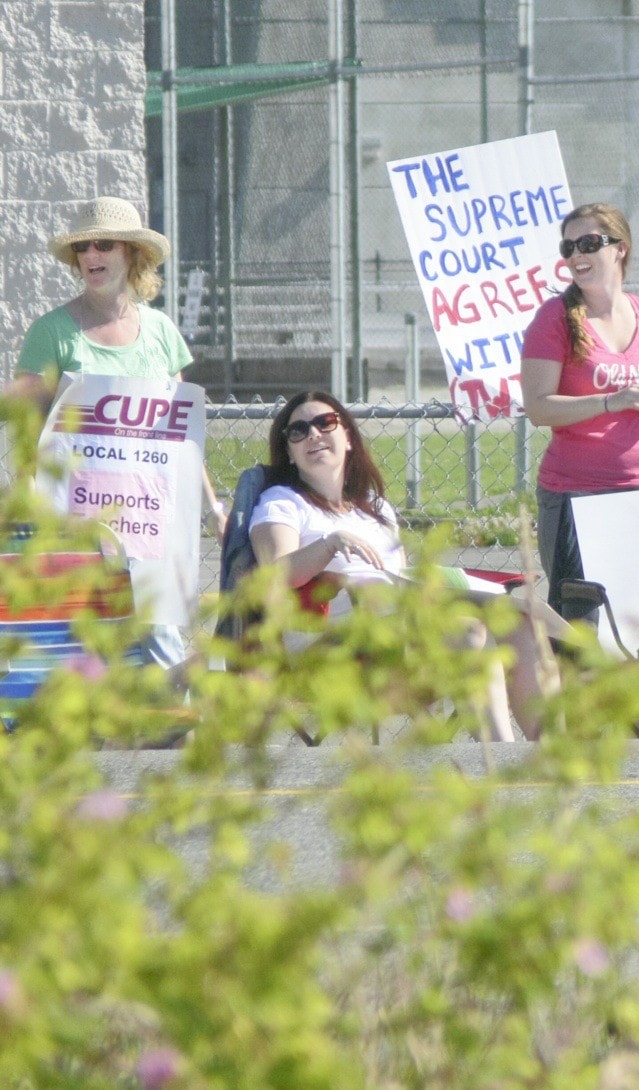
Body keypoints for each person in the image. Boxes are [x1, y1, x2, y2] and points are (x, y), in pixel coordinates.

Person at [248, 391, 561, 741]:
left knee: (521, 622)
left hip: (397, 638)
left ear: (348, 437)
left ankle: (547, 756)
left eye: (325, 423)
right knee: (466, 630)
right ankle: (498, 760)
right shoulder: (281, 503)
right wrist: (328, 545)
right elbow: (273, 577)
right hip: (334, 651)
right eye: (298, 431)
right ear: (288, 450)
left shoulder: (374, 508)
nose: (313, 435)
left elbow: (400, 578)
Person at [10, 195, 227, 668]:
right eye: (83, 247)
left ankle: (167, 733)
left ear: (132, 254)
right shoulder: (51, 332)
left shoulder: (162, 332)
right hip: (75, 517)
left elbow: (180, 440)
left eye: (104, 245)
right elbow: (22, 419)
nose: (91, 256)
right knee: (82, 640)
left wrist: (212, 507)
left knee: (161, 642)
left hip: (150, 514)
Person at [521, 202, 639, 626]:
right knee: (582, 634)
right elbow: (539, 408)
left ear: (620, 248)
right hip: (578, 497)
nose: (577, 254)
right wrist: (610, 400)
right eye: (569, 246)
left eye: (589, 243)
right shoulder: (553, 319)